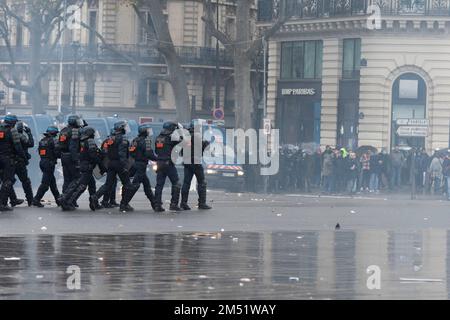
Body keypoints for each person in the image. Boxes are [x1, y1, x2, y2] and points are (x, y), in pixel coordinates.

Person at [89, 121, 136, 212]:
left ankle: (95, 197)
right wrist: (125, 167)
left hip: (111, 163)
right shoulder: (123, 139)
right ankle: (124, 204)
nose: (126, 129)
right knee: (127, 185)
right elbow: (122, 154)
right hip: (119, 164)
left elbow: (106, 151)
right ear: (121, 128)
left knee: (108, 184)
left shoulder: (111, 139)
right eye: (125, 127)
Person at [59, 126, 102, 211]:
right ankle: (66, 200)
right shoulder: (90, 141)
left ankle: (94, 203)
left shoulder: (82, 141)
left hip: (84, 164)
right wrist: (100, 162)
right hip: (87, 166)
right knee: (80, 185)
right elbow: (92, 155)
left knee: (91, 185)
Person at [180, 122, 212, 211]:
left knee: (186, 183)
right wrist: (206, 143)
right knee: (202, 182)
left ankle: (183, 203)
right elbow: (204, 147)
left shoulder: (185, 137)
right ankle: (202, 203)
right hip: (196, 161)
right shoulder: (197, 136)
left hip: (187, 162)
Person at [126, 123, 158, 210]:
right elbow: (149, 154)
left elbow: (131, 152)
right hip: (142, 165)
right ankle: (124, 203)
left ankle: (154, 204)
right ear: (144, 131)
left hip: (136, 164)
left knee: (147, 186)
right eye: (148, 130)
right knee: (135, 185)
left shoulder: (135, 140)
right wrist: (158, 159)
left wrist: (137, 157)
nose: (149, 132)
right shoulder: (147, 141)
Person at [154, 121, 182, 212]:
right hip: (168, 163)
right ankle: (174, 204)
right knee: (176, 183)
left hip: (159, 163)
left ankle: (157, 205)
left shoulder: (159, 137)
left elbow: (157, 151)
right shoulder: (172, 138)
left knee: (159, 185)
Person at [0, 114, 26, 211]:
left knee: (4, 180)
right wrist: (23, 157)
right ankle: (2, 203)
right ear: (12, 122)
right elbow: (18, 146)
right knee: (8, 181)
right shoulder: (12, 130)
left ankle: (13, 199)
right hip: (8, 159)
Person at [32, 126, 61, 207]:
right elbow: (57, 153)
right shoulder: (53, 140)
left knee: (52, 183)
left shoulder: (42, 141)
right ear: (54, 133)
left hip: (42, 162)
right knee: (45, 184)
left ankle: (58, 200)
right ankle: (36, 199)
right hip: (49, 163)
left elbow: (39, 152)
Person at [9, 120, 34, 206]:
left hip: (10, 161)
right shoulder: (20, 136)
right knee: (25, 181)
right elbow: (31, 144)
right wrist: (29, 133)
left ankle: (12, 199)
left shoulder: (9, 135)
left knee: (8, 181)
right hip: (20, 162)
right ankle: (30, 200)